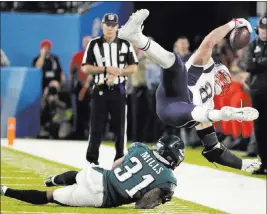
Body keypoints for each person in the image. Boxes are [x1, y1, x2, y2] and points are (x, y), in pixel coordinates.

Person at [118, 9, 261, 171]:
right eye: (222, 76)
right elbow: (209, 42)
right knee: (175, 62)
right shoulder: (203, 65)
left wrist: (242, 164)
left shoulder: (209, 103)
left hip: (178, 111)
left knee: (200, 112)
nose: (223, 81)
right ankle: (136, 36)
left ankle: (225, 114)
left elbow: (214, 150)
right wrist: (232, 24)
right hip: (173, 94)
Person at [1, 135, 183, 209]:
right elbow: (142, 205)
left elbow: (115, 166)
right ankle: (4, 190)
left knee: (81, 175)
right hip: (100, 197)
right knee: (49, 197)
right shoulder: (168, 180)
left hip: (97, 175)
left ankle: (55, 178)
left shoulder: (141, 149)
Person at [82, 13, 138, 165]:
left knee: (120, 129)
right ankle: (92, 161)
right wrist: (106, 69)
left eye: (113, 26)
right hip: (100, 90)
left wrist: (118, 72)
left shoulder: (125, 44)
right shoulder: (94, 44)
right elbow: (86, 68)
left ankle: (120, 160)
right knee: (96, 127)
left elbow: (133, 67)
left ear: (117, 27)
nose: (110, 28)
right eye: (108, 25)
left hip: (118, 90)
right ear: (102, 26)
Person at [244, 14, 267, 175]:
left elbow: (254, 64)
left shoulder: (255, 48)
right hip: (257, 92)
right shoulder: (253, 45)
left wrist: (258, 62)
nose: (264, 31)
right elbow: (249, 66)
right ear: (258, 29)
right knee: (259, 130)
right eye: (263, 28)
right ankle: (264, 163)